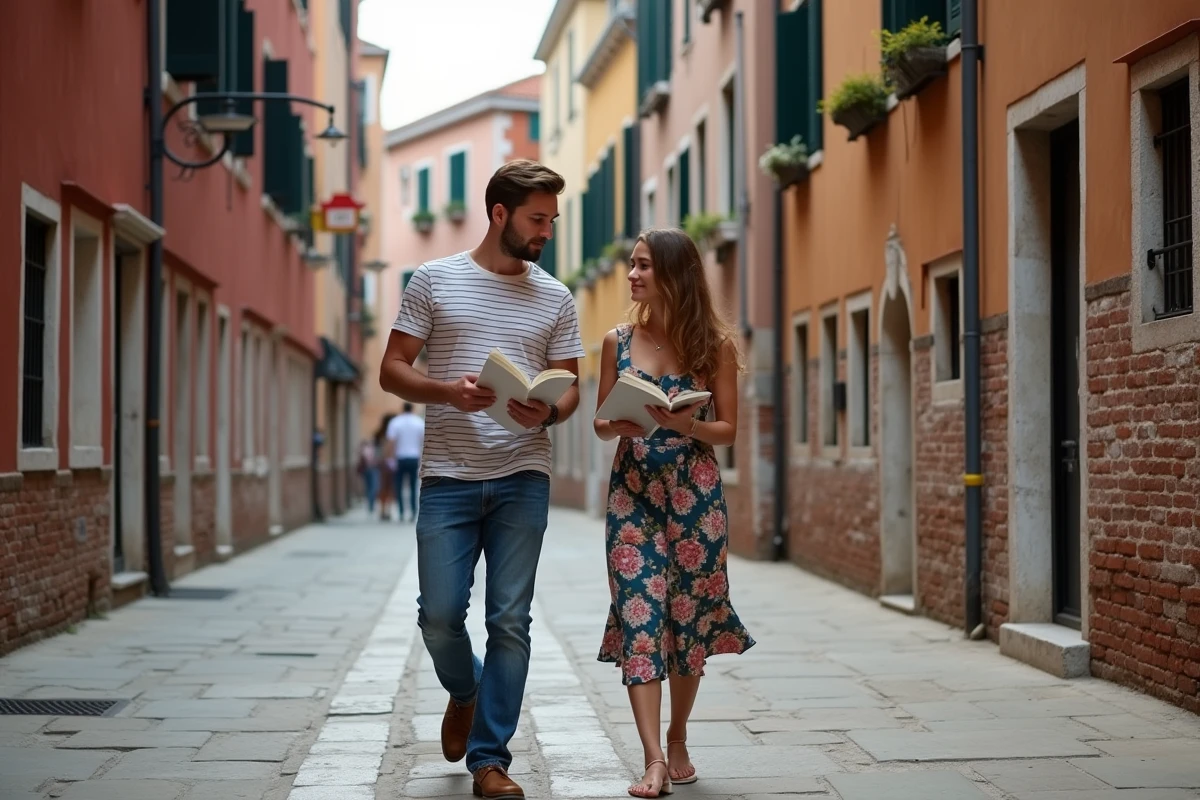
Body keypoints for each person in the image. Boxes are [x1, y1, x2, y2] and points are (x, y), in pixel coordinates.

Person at [379, 159, 584, 800]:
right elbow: (392, 369)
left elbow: (571, 387)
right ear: (500, 214)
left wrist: (549, 410)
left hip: (524, 473)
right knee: (439, 617)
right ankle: (465, 691)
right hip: (448, 475)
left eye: (552, 220)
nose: (547, 231)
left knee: (510, 621)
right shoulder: (433, 280)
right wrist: (448, 391)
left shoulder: (556, 296)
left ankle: (490, 761)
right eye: (537, 219)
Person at [593, 228, 756, 799]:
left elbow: (728, 430)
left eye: (643, 266)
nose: (632, 275)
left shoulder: (715, 347)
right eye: (631, 264)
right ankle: (654, 758)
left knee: (687, 621)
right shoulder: (615, 341)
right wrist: (620, 423)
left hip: (695, 501)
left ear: (673, 274)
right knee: (639, 617)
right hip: (632, 496)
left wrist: (684, 424)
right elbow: (600, 423)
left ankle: (678, 735)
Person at [386, 402, 425, 522]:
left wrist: (391, 458)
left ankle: (401, 512)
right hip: (414, 457)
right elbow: (423, 441)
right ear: (412, 409)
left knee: (399, 486)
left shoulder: (395, 422)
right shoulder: (419, 422)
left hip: (400, 458)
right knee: (413, 486)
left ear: (402, 409)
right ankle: (413, 512)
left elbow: (391, 442)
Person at [357, 437, 380, 514]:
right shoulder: (368, 449)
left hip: (369, 470)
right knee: (372, 487)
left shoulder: (365, 449)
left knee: (370, 487)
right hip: (370, 470)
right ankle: (370, 504)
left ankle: (370, 504)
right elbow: (369, 460)